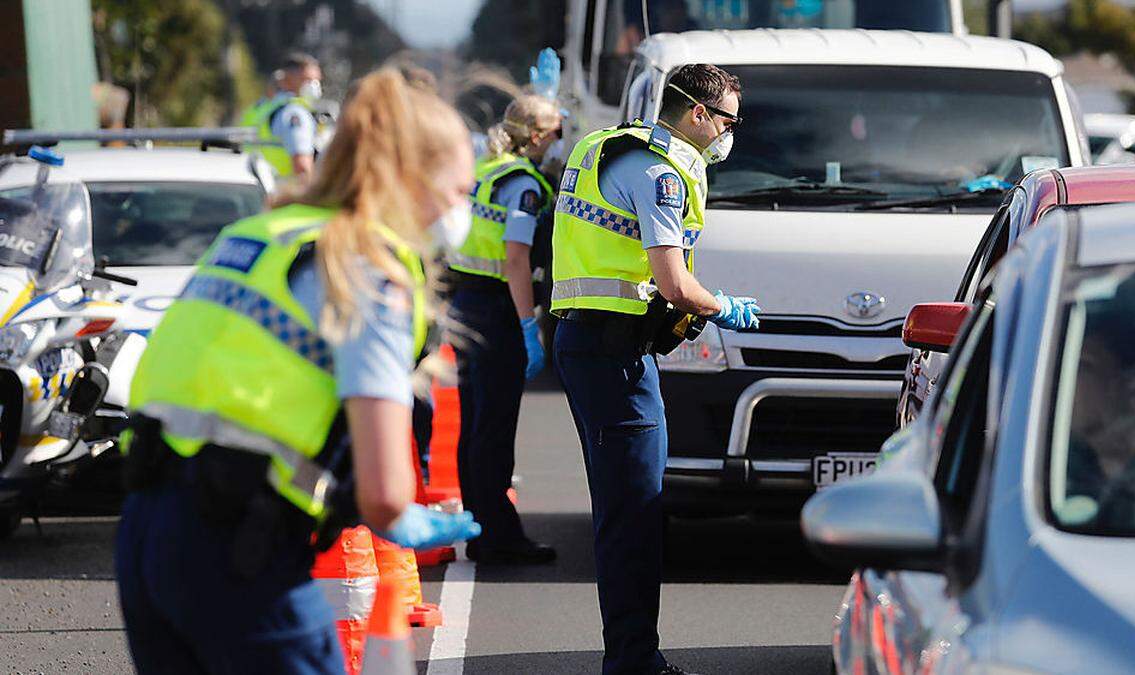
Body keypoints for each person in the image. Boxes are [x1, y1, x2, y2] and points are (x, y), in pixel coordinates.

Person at [115, 68, 481, 674]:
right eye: (459, 191)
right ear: (411, 182)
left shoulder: (254, 234)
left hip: (144, 528)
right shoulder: (368, 270)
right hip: (238, 546)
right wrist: (402, 516)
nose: (461, 211)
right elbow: (386, 492)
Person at [551, 64, 762, 675]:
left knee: (625, 507)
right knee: (635, 512)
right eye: (727, 119)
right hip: (613, 353)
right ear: (698, 113)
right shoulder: (661, 174)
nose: (729, 132)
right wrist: (722, 306)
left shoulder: (603, 145)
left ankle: (632, 655)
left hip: (592, 342)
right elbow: (674, 283)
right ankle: (634, 660)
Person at [446, 95, 562, 564]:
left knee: (476, 422)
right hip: (497, 308)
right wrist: (527, 323)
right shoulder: (523, 186)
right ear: (536, 136)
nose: (560, 142)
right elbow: (516, 260)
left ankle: (481, 525)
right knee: (494, 427)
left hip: (465, 300)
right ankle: (498, 535)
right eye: (556, 132)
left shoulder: (487, 169)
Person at [244, 52, 324, 181]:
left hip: (259, 192)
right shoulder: (295, 114)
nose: (314, 86)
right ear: (286, 80)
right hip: (289, 196)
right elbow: (302, 168)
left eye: (317, 81)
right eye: (307, 80)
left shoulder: (263, 108)